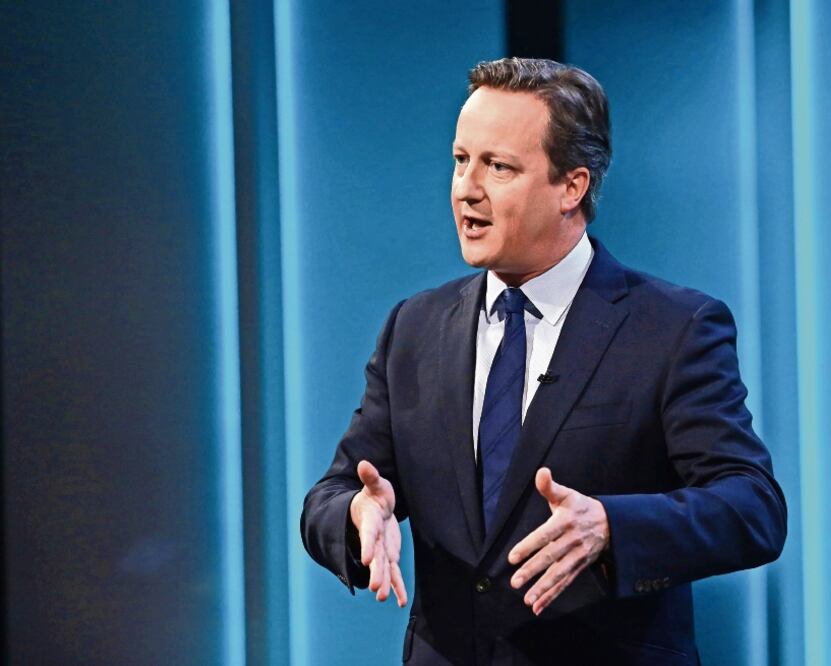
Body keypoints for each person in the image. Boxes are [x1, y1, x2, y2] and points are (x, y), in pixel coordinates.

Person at [301, 57, 786, 665]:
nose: (466, 189)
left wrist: (611, 526)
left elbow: (752, 508)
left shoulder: (672, 329)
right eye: (460, 160)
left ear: (571, 186)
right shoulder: (414, 329)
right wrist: (355, 512)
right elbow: (336, 490)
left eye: (498, 167)